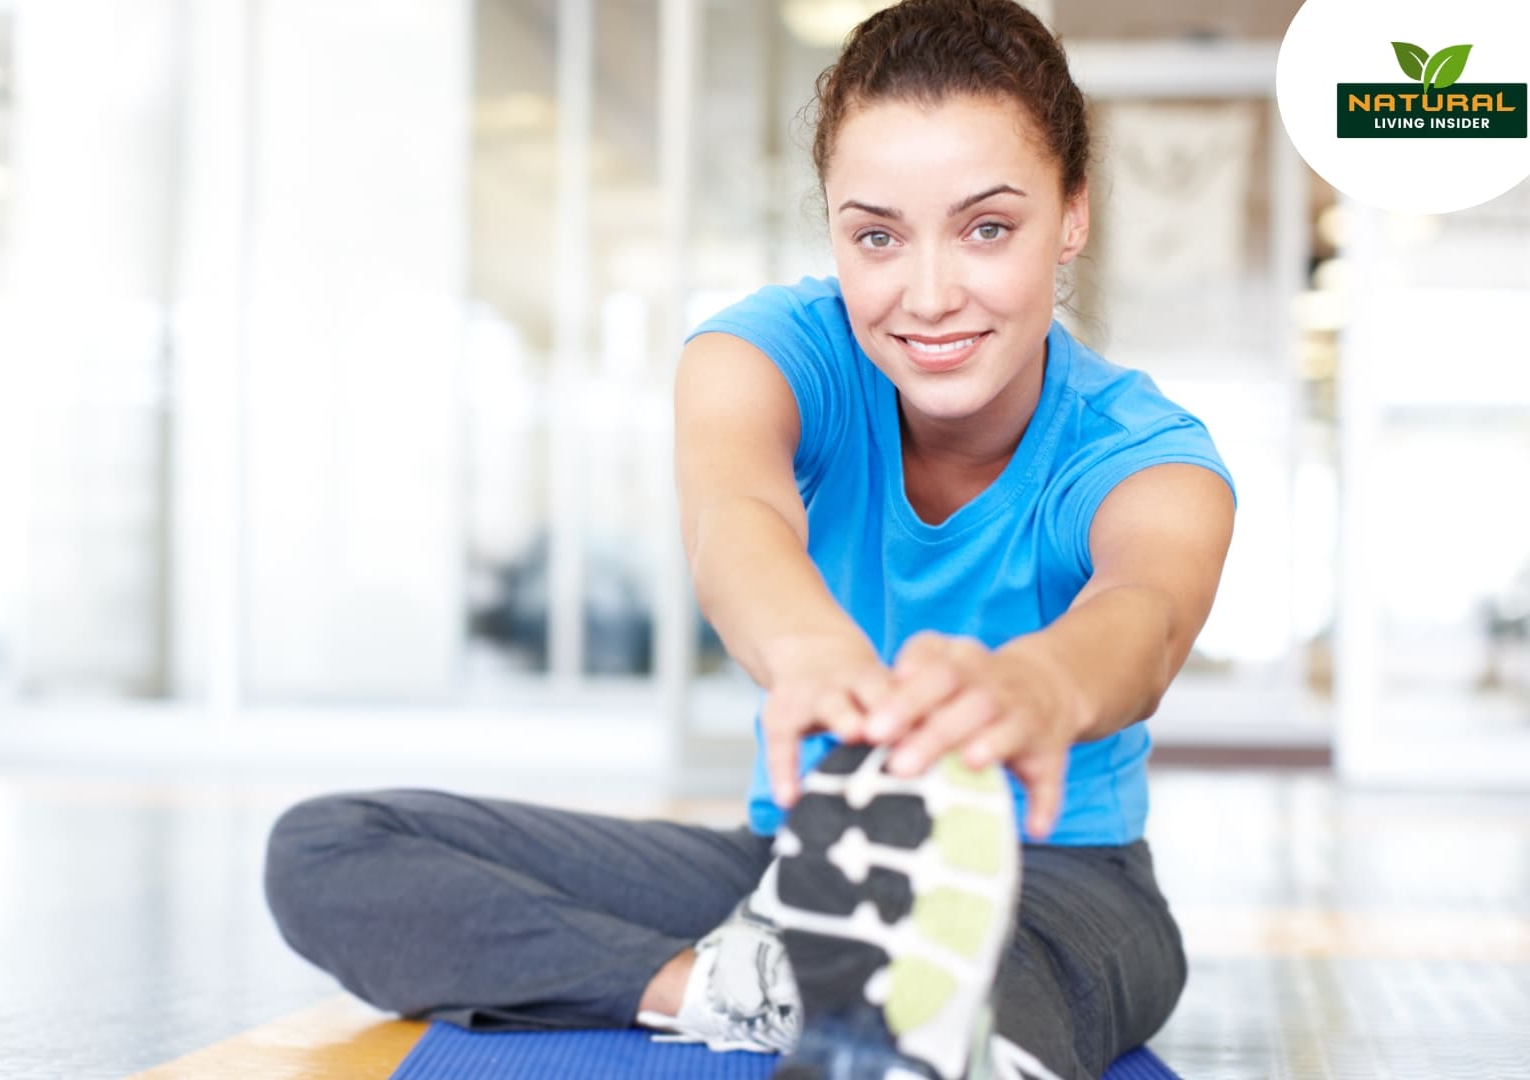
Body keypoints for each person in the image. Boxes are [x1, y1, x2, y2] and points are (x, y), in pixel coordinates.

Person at [262, 2, 1235, 1078]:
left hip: (1061, 879)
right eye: (876, 234)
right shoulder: (766, 354)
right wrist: (811, 654)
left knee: (965, 1010)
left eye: (987, 228)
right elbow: (739, 513)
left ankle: (878, 1015)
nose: (928, 294)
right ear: (831, 228)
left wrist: (1040, 690)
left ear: (1073, 215)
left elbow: (1143, 615)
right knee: (331, 850)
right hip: (793, 873)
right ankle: (735, 988)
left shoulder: (1148, 452)